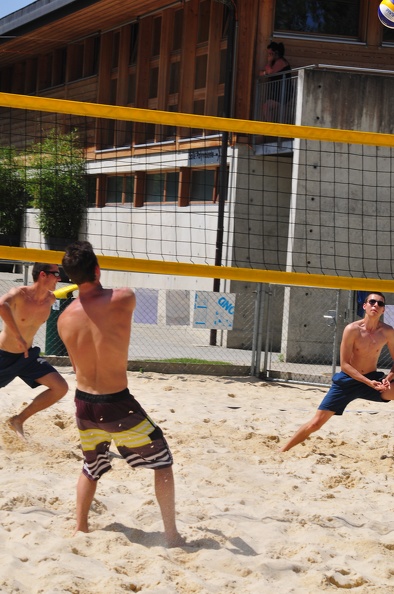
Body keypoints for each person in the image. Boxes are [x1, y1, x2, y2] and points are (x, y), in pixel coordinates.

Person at [58, 241, 184, 547]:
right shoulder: (123, 298)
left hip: (84, 403)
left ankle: (80, 528)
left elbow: (76, 366)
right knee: (163, 463)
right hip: (117, 403)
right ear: (98, 270)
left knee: (91, 467)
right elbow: (114, 294)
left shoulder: (63, 320)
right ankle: (171, 535)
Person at [280, 292, 394, 452]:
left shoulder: (387, 331)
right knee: (315, 423)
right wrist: (368, 382)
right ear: (365, 306)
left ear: (383, 310)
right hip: (348, 381)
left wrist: (388, 378)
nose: (375, 305)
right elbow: (345, 365)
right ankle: (283, 450)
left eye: (380, 304)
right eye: (372, 302)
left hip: (373, 380)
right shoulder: (352, 329)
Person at [1, 263, 68, 440]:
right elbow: (1, 305)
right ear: (43, 275)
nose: (59, 278)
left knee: (60, 387)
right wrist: (18, 336)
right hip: (3, 355)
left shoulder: (50, 299)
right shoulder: (19, 294)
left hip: (27, 357)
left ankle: (18, 420)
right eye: (56, 274)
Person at [259, 41, 292, 123]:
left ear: (275, 53)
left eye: (270, 54)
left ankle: (271, 129)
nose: (268, 56)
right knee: (267, 107)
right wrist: (265, 72)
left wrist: (269, 61)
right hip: (277, 92)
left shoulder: (281, 62)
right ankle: (271, 127)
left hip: (284, 92)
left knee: (266, 106)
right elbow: (262, 73)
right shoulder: (275, 62)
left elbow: (270, 73)